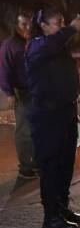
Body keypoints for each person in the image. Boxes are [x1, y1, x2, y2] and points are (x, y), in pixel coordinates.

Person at [25, 9, 80, 228]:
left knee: (66, 165)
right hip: (47, 116)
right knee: (51, 167)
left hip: (66, 113)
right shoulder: (37, 45)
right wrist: (73, 27)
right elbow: (54, 42)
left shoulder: (59, 47)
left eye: (63, 22)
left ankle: (62, 208)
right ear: (43, 25)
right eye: (57, 23)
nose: (61, 27)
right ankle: (51, 218)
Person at [0, 9, 36, 179]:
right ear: (16, 26)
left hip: (38, 91)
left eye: (29, 23)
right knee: (24, 130)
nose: (27, 27)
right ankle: (25, 166)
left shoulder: (36, 41)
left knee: (39, 128)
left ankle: (37, 162)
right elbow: (4, 69)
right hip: (21, 92)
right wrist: (8, 92)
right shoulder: (10, 45)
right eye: (23, 24)